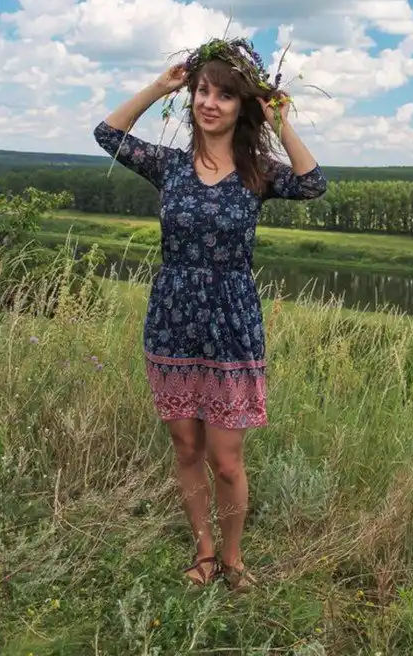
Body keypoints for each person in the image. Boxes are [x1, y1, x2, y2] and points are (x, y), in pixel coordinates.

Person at [93, 38, 327, 592]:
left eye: (224, 95)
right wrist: (161, 86)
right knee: (186, 448)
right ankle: (203, 551)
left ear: (242, 107)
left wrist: (281, 122)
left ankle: (234, 559)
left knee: (226, 458)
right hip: (173, 319)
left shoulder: (257, 172)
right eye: (202, 91)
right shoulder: (171, 166)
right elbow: (108, 134)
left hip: (232, 325)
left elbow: (313, 183)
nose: (209, 103)